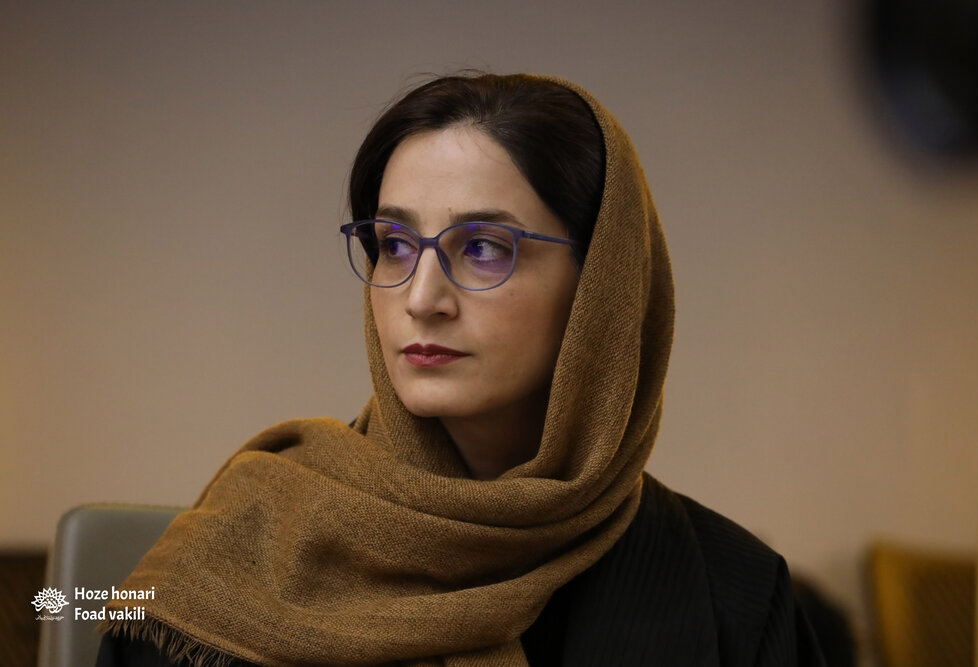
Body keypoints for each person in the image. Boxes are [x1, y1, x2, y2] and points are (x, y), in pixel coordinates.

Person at [96, 73, 825, 666]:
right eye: (394, 242)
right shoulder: (240, 542)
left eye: (482, 248)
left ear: (601, 287)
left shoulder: (732, 593)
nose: (421, 299)